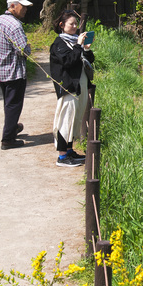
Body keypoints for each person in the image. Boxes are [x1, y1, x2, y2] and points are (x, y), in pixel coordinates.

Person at [0, 0, 33, 149]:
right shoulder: (15, 25)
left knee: (8, 102)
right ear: (13, 6)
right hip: (14, 71)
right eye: (23, 6)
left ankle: (12, 128)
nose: (25, 9)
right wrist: (28, 48)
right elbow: (22, 50)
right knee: (14, 104)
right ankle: (7, 139)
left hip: (0, 69)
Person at [49, 9, 95, 167]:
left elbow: (88, 59)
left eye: (76, 24)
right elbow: (68, 61)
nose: (75, 26)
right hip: (68, 86)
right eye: (71, 24)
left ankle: (69, 151)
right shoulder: (59, 44)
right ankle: (62, 156)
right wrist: (78, 46)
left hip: (79, 85)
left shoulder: (75, 41)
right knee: (65, 119)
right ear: (62, 25)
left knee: (75, 119)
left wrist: (86, 48)